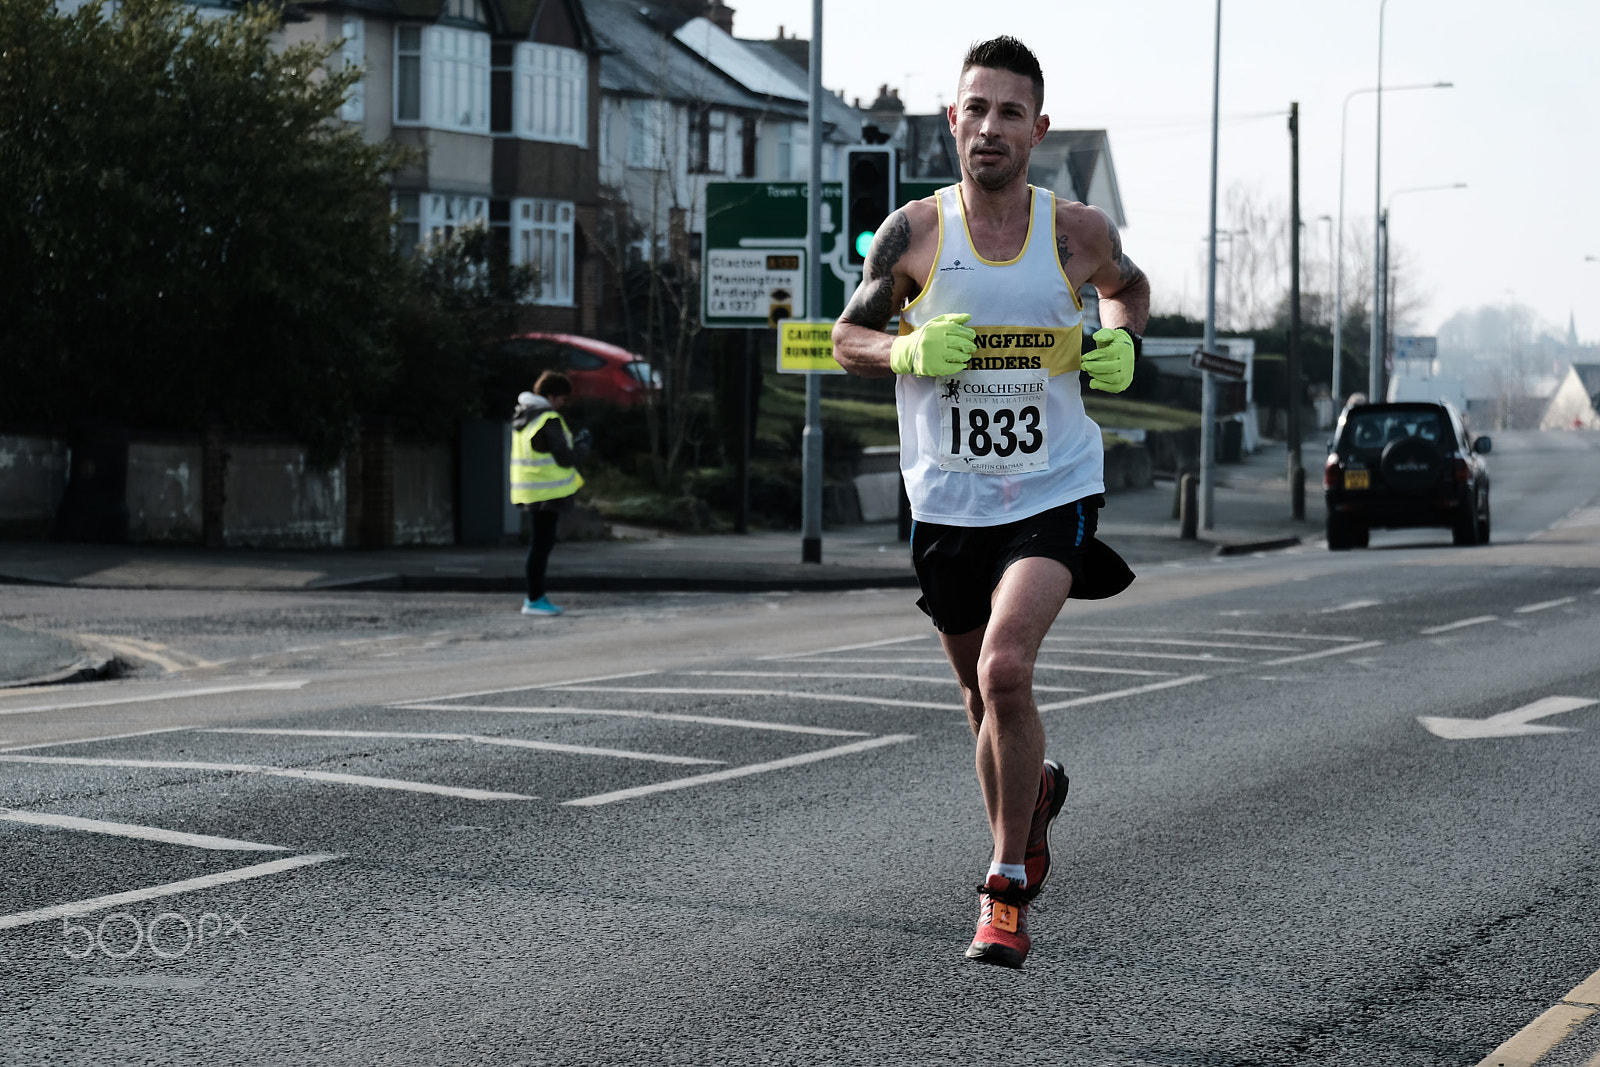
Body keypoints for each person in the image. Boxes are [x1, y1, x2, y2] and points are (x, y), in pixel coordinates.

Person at [832, 35, 1149, 969]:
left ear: (1039, 130)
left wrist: (1123, 340)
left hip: (1053, 488)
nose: (991, 127)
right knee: (978, 700)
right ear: (952, 120)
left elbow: (1128, 291)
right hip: (947, 501)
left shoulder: (1073, 232)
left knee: (1007, 669)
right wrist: (904, 351)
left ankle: (1004, 887)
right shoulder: (914, 234)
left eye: (1011, 112)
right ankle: (1034, 790)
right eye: (977, 108)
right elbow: (846, 333)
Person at [510, 371, 591, 616]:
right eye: (563, 399)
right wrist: (584, 445)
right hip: (547, 493)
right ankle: (534, 599)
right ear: (552, 396)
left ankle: (535, 598)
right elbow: (565, 458)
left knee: (539, 545)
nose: (564, 404)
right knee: (541, 546)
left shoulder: (524, 416)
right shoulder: (548, 418)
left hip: (531, 490)